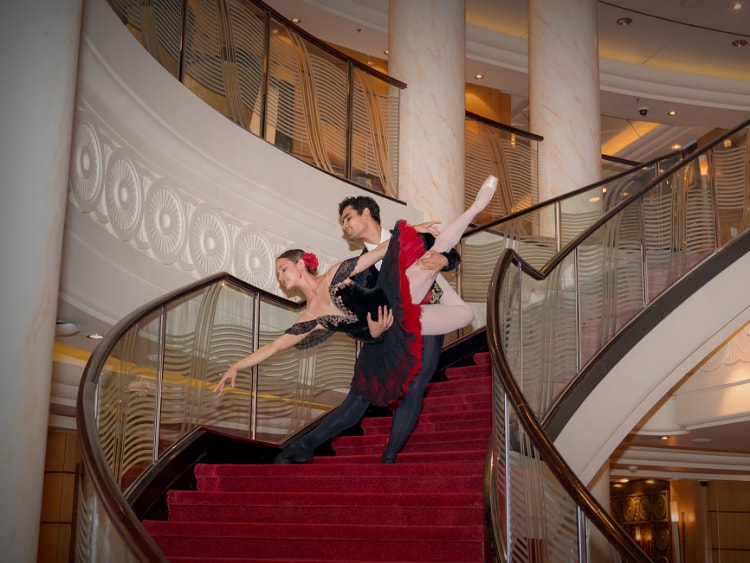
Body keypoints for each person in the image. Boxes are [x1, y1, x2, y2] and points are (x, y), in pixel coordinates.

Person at [215, 176, 498, 462]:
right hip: (390, 330)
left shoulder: (337, 273)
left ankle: (476, 207)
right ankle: (306, 450)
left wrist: (415, 234)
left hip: (400, 300)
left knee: (447, 287)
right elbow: (275, 347)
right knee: (356, 405)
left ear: (301, 265)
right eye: (279, 275)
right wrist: (237, 364)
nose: (281, 277)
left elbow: (381, 249)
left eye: (283, 270)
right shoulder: (312, 316)